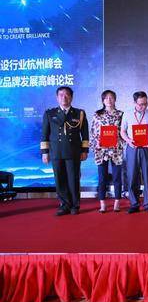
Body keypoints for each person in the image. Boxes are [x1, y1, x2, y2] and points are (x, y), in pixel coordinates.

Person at [40, 86, 89, 216]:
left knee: (73, 179)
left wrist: (84, 150)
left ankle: (75, 205)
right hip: (56, 152)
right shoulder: (50, 113)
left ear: (71, 97)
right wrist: (45, 152)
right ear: (57, 97)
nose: (64, 97)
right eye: (61, 95)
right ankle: (64, 205)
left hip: (73, 151)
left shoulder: (79, 113)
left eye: (67, 95)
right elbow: (44, 134)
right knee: (59, 179)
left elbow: (85, 134)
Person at [120, 91, 148, 213]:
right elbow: (122, 131)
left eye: (145, 104)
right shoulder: (127, 114)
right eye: (141, 104)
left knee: (147, 176)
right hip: (132, 148)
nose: (143, 106)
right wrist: (128, 140)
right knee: (132, 176)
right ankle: (134, 204)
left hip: (146, 148)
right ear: (134, 103)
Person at [90, 89, 124, 213]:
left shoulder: (120, 114)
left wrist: (122, 142)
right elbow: (93, 132)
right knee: (102, 178)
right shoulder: (97, 114)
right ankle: (102, 204)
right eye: (106, 98)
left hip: (116, 150)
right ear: (103, 100)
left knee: (117, 177)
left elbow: (124, 131)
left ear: (115, 99)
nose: (109, 100)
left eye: (111, 98)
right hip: (101, 150)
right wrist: (96, 144)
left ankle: (117, 202)